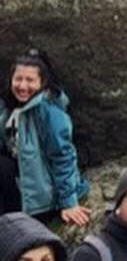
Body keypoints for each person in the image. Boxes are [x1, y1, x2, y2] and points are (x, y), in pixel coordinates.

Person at [3, 49, 88, 228]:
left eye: (30, 80)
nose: (22, 86)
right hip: (20, 186)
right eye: (18, 79)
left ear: (42, 82)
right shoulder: (9, 108)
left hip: (44, 198)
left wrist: (68, 202)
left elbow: (63, 157)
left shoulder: (48, 111)